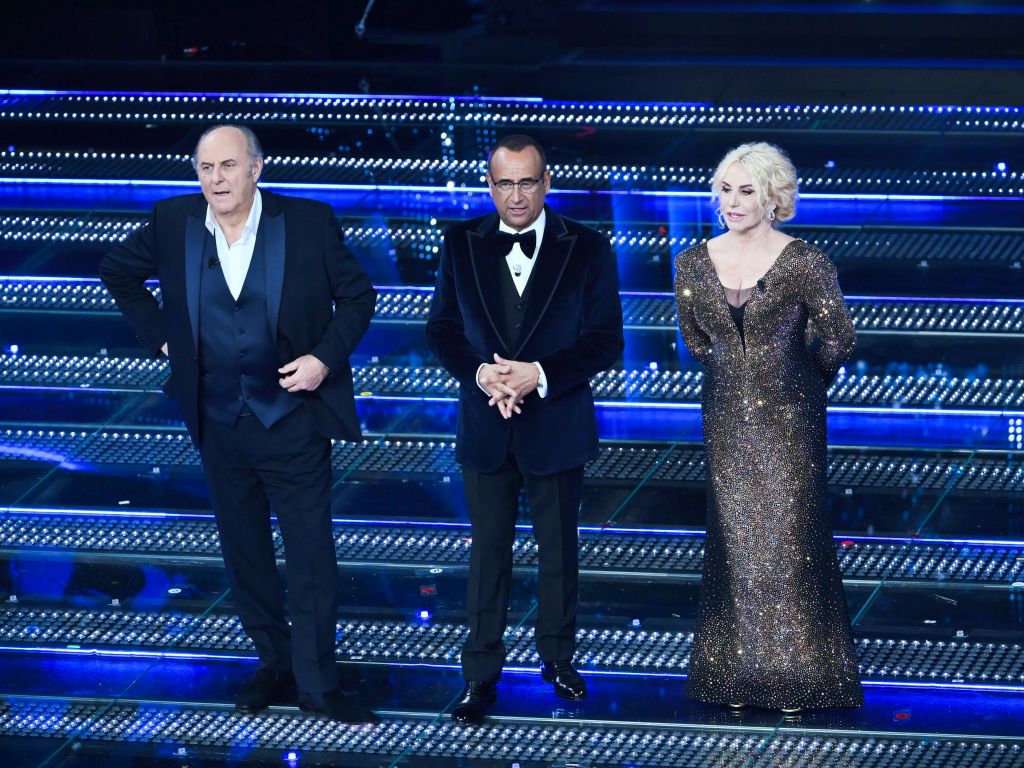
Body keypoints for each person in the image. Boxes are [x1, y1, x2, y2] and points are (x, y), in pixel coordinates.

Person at [99, 125, 378, 722]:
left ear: (256, 167)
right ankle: (273, 664)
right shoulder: (173, 221)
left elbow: (359, 297)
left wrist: (322, 359)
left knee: (310, 553)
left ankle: (318, 683)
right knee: (245, 553)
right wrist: (164, 338)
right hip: (218, 418)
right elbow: (118, 271)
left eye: (228, 166)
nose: (216, 179)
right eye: (206, 168)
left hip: (292, 418)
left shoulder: (307, 222)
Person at [426, 134, 624, 724]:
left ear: (546, 182)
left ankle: (558, 660)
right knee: (487, 555)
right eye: (505, 183)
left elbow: (605, 339)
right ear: (490, 186)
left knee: (559, 550)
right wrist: (483, 374)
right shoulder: (459, 242)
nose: (516, 194)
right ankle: (479, 674)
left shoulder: (587, 246)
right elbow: (442, 329)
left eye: (527, 181)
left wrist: (537, 374)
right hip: (485, 421)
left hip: (556, 422)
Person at [673, 142, 863, 712]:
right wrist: (739, 379)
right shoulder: (693, 263)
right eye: (725, 190)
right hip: (726, 420)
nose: (732, 202)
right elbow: (696, 340)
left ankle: (799, 678)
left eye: (746, 190)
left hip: (792, 423)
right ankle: (737, 678)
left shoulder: (804, 262)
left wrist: (801, 383)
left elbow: (839, 338)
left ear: (772, 197)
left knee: (789, 543)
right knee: (736, 544)